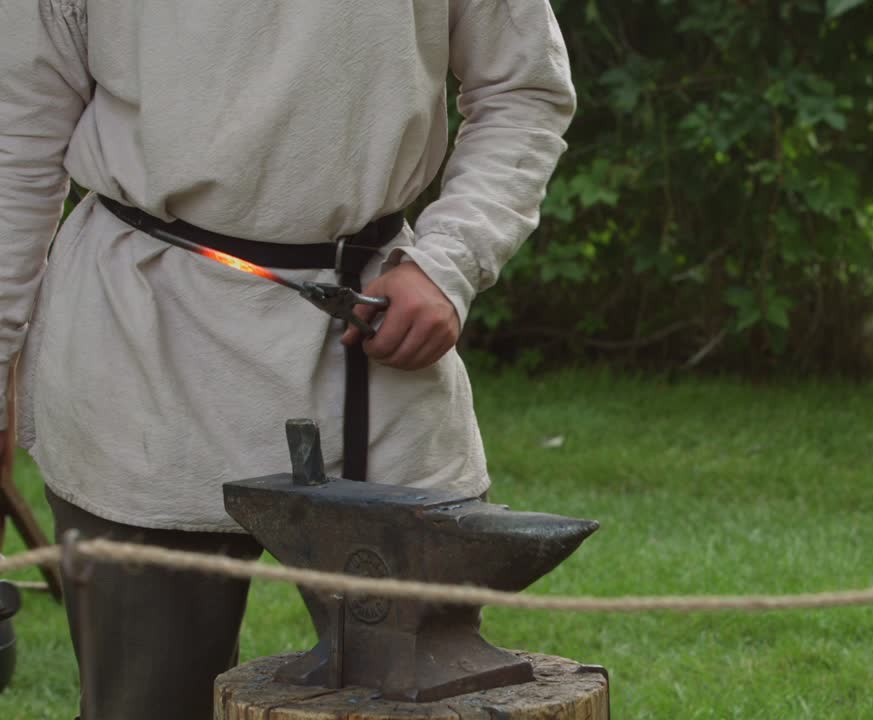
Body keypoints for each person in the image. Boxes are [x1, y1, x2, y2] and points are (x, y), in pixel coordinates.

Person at [0, 2, 575, 718]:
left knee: (416, 696)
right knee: (145, 701)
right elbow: (14, 141)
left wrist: (448, 263)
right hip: (140, 345)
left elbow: (523, 88)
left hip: (371, 340)